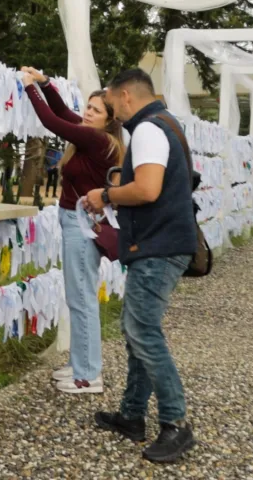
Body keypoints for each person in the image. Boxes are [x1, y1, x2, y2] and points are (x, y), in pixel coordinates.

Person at [83, 68, 196, 463]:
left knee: (142, 331)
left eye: (112, 104)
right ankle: (132, 415)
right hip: (160, 243)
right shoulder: (167, 123)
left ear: (126, 96)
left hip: (158, 245)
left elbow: (147, 189)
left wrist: (106, 195)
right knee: (136, 332)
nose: (112, 113)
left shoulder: (148, 129)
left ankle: (176, 424)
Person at [21, 66, 125, 394]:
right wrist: (46, 83)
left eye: (95, 110)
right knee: (79, 297)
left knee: (81, 299)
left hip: (82, 228)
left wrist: (29, 89)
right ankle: (82, 365)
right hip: (77, 223)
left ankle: (88, 375)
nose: (87, 113)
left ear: (109, 119)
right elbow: (65, 112)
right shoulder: (92, 134)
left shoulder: (97, 140)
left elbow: (53, 121)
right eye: (88, 107)